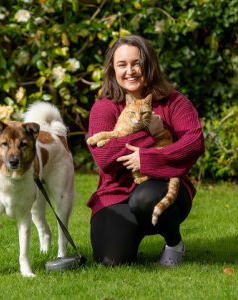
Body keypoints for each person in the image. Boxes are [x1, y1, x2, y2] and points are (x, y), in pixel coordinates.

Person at [86, 35, 205, 267]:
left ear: (149, 64)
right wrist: (151, 134)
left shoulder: (174, 101)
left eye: (136, 63)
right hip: (116, 194)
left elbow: (194, 142)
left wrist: (148, 159)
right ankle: (130, 231)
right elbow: (105, 157)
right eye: (122, 65)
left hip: (160, 187)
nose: (130, 71)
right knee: (111, 260)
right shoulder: (104, 107)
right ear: (113, 69)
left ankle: (174, 243)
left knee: (145, 197)